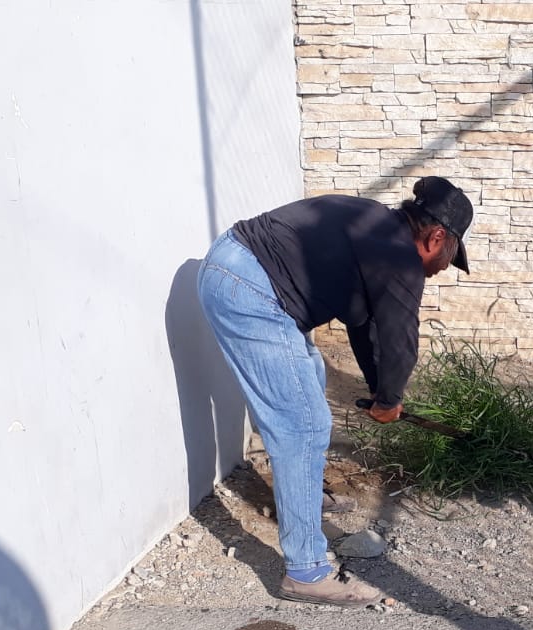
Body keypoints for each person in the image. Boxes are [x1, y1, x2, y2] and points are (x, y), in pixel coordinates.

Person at [195, 176, 474, 607]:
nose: (439, 269)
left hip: (237, 272)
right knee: (302, 426)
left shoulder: (374, 227)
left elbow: (365, 326)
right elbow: (400, 338)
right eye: (447, 258)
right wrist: (390, 401)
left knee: (309, 382)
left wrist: (381, 392)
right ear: (436, 238)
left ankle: (305, 497)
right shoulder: (398, 253)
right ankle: (306, 572)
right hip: (251, 290)